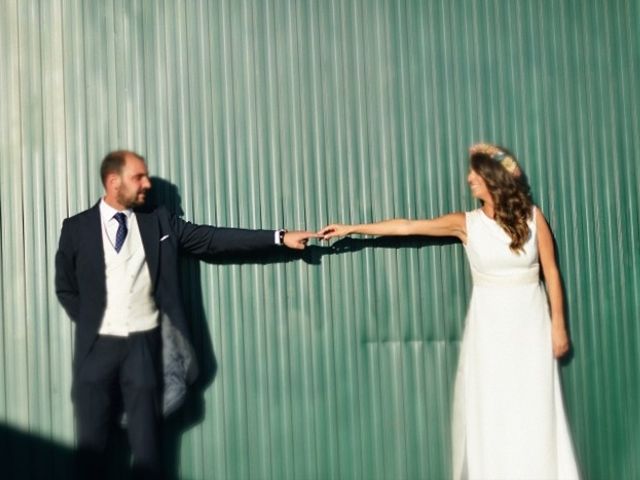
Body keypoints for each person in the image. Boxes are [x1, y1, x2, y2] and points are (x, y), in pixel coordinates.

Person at [320, 143, 580, 479]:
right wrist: (353, 228)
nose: (469, 179)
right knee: (493, 407)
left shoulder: (532, 216)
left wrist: (558, 326)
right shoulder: (466, 224)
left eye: (476, 172)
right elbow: (408, 227)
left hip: (530, 324)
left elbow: (551, 271)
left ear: (493, 177)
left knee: (534, 404)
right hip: (490, 328)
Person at [55, 150, 317, 479]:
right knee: (93, 454)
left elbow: (212, 239)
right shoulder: (77, 228)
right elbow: (66, 288)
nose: (147, 184)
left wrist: (279, 237)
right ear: (113, 181)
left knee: (149, 457)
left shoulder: (160, 222)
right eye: (139, 177)